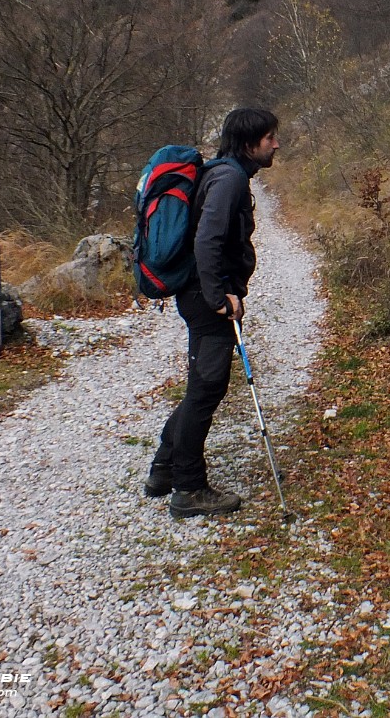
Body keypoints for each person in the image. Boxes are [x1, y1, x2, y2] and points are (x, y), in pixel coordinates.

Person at [145, 107, 280, 518]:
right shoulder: (229, 179)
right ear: (248, 143)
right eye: (270, 137)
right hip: (205, 302)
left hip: (198, 296)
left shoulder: (225, 174)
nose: (276, 144)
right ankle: (188, 488)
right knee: (207, 389)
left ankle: (164, 469)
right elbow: (208, 240)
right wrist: (219, 297)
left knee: (204, 388)